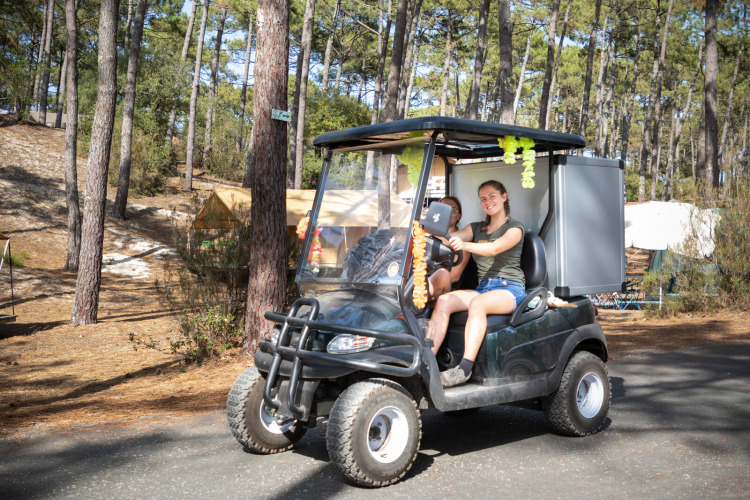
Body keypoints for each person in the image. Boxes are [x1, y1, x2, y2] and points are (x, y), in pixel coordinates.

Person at [425, 180, 526, 388]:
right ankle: (427, 363)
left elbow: (494, 248)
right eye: (483, 199)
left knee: (478, 304)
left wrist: (464, 244)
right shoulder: (477, 228)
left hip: (509, 288)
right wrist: (424, 233)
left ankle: (464, 369)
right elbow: (451, 238)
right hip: (484, 287)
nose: (488, 201)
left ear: (504, 197)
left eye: (492, 196)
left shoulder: (515, 228)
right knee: (444, 300)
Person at [426, 196, 471, 301]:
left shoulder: (462, 243)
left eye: (453, 210)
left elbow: (454, 277)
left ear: (459, 216)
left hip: (445, 289)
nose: (448, 212)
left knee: (442, 275)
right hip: (421, 281)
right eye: (444, 208)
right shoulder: (427, 238)